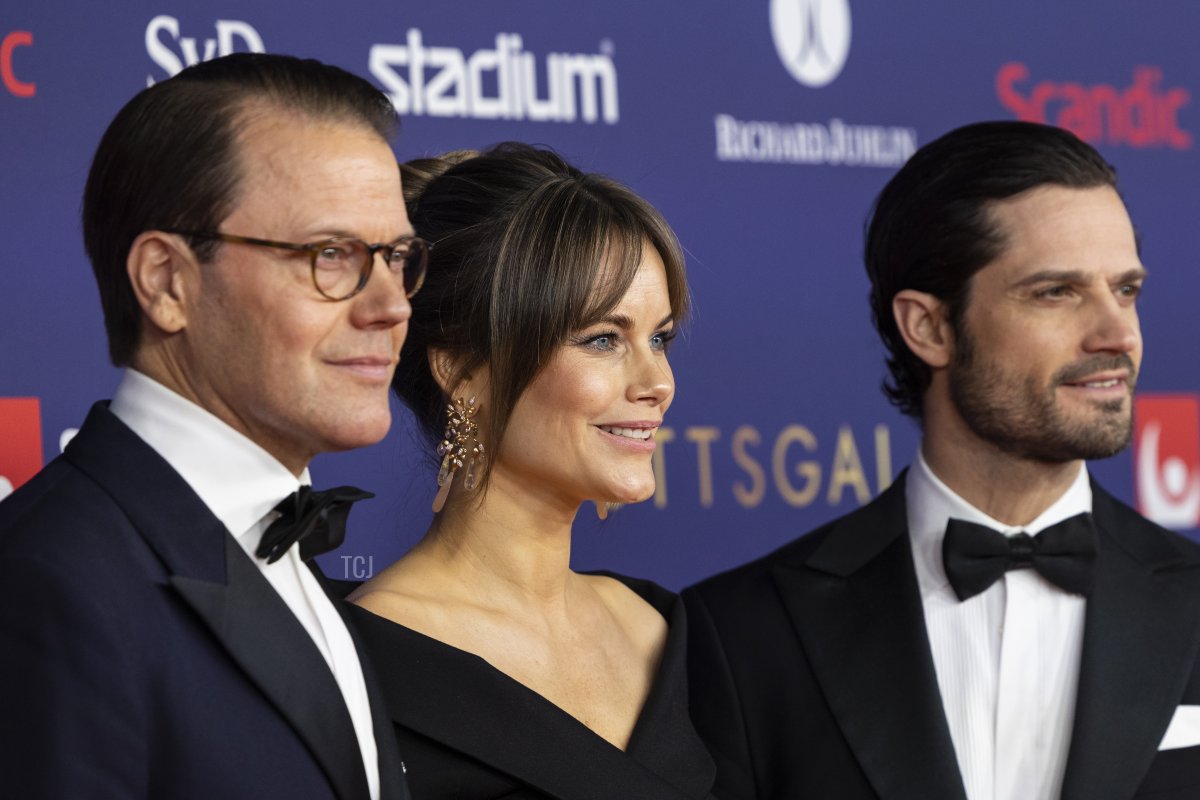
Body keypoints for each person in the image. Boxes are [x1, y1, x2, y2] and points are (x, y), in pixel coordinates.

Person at [684, 120, 1200, 800]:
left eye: (1125, 290)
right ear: (928, 327)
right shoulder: (742, 633)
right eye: (1057, 292)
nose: (1118, 334)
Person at [0, 53, 422, 799]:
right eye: (332, 256)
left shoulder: (282, 545)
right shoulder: (45, 583)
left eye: (395, 258)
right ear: (167, 282)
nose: (390, 306)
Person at [345, 142, 716, 799]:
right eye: (604, 339)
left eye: (659, 338)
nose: (658, 381)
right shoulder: (367, 661)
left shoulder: (662, 629)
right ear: (461, 370)